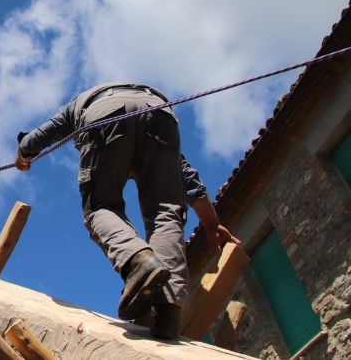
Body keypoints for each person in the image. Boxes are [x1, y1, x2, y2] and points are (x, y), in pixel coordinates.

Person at [15, 82, 239, 338]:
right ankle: (168, 310)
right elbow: (187, 177)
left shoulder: (78, 103)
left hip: (104, 111)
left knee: (99, 207)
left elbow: (47, 131)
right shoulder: (141, 100)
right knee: (165, 211)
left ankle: (138, 262)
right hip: (160, 111)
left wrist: (24, 152)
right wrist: (210, 223)